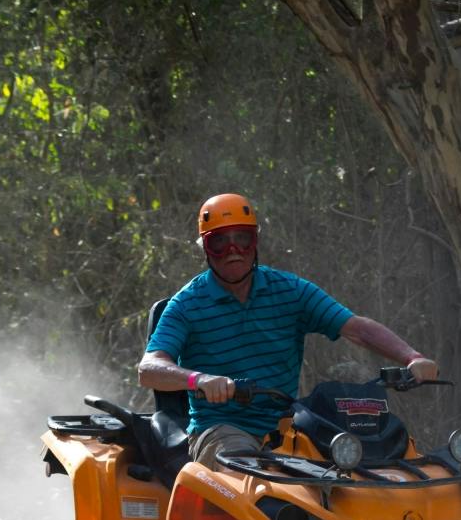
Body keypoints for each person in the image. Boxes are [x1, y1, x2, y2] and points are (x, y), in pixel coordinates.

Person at [139, 193, 441, 465]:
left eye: (242, 239)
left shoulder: (290, 290)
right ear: (206, 248)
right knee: (245, 474)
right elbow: (149, 368)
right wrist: (199, 379)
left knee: (352, 474)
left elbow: (356, 328)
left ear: (255, 242)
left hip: (289, 427)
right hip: (221, 429)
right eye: (220, 241)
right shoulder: (187, 304)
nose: (233, 250)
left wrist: (411, 358)